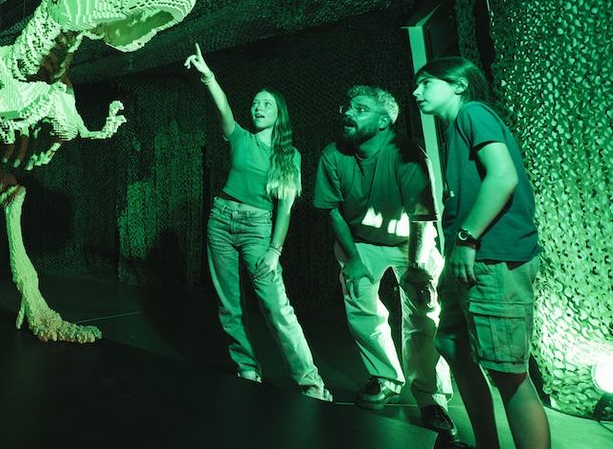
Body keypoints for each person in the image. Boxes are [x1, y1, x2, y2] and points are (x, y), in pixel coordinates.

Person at [414, 56, 549, 449]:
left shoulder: (473, 112)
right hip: (470, 260)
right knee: (450, 343)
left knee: (509, 374)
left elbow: (503, 176)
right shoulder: (456, 129)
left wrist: (468, 240)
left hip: (493, 258)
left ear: (458, 84)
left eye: (426, 83)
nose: (416, 91)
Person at [184, 43, 331, 401]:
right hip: (220, 220)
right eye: (255, 103)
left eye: (266, 103)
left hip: (258, 229)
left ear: (279, 113)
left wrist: (274, 250)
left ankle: (311, 382)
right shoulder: (240, 138)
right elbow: (223, 107)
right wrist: (209, 77)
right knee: (229, 304)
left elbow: (286, 207)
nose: (258, 107)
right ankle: (247, 367)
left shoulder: (288, 155)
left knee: (276, 307)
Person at [312, 85, 455, 435]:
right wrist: (354, 259)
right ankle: (386, 377)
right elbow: (332, 211)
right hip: (361, 241)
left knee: (424, 315)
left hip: (412, 240)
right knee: (360, 302)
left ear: (383, 121)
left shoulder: (406, 153)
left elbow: (423, 217)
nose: (347, 112)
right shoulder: (333, 155)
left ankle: (430, 396)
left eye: (360, 108)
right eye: (346, 105)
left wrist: (420, 269)